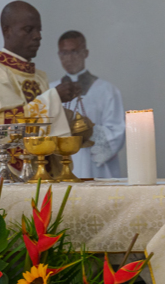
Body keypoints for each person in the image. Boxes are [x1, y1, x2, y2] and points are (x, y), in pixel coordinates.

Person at [0, 2, 77, 172]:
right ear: (7, 31)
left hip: (44, 175)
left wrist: (72, 121)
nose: (37, 36)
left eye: (39, 30)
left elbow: (46, 125)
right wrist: (53, 98)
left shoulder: (39, 77)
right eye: (28, 30)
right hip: (6, 178)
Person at [50, 31, 124, 178]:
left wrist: (87, 131)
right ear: (59, 55)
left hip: (95, 168)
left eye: (74, 52)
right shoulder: (51, 91)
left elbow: (117, 132)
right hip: (60, 165)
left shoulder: (107, 90)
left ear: (85, 53)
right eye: (64, 53)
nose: (69, 58)